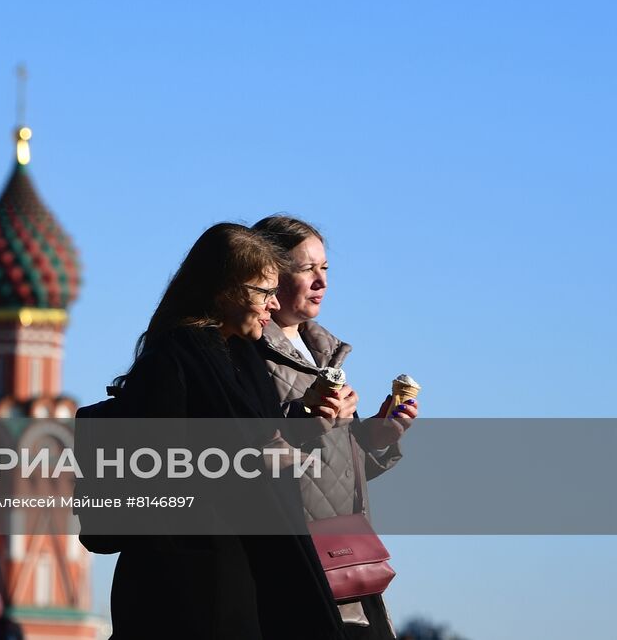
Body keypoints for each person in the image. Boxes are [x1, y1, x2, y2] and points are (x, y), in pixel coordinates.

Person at [100, 223, 345, 639]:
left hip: (246, 572)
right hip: (186, 588)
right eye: (263, 292)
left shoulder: (242, 359)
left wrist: (304, 423)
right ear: (227, 289)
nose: (272, 306)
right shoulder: (173, 358)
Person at [253, 216, 419, 638]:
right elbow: (237, 455)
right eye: (306, 268)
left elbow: (332, 469)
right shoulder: (247, 351)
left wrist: (374, 440)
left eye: (325, 268)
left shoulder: (321, 354)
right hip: (291, 568)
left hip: (344, 561)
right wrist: (304, 421)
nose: (320, 281)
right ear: (268, 272)